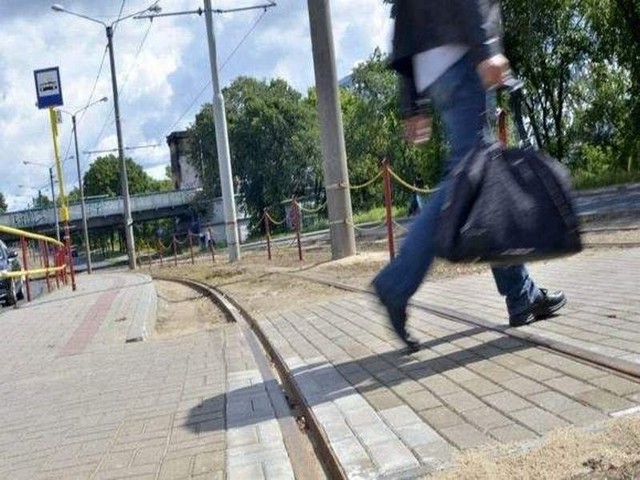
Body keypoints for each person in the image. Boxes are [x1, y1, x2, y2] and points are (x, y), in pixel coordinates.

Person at [372, 0, 566, 352]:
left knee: (480, 181)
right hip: (462, 55)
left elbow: (402, 15)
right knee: (466, 182)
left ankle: (521, 294)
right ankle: (396, 283)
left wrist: (411, 100)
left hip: (433, 66)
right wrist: (486, 48)